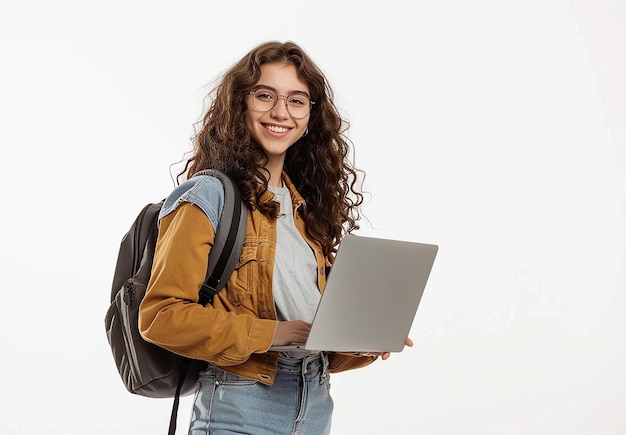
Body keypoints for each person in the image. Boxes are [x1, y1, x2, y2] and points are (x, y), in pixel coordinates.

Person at [138, 40, 413, 435]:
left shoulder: (307, 209)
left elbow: (312, 337)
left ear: (311, 115)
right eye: (265, 95)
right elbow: (161, 317)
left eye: (297, 100)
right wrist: (270, 333)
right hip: (240, 404)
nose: (281, 112)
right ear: (241, 104)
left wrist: (363, 338)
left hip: (315, 403)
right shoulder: (208, 196)